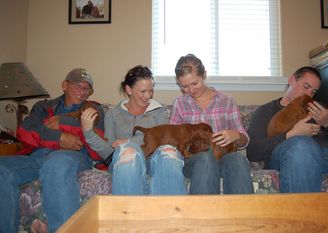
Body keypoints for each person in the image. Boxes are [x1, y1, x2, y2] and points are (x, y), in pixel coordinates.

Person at [0, 68, 106, 233]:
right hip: (38, 157)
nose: (82, 92)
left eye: (86, 88)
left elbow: (98, 139)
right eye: (77, 86)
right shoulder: (43, 107)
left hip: (74, 157)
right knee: (2, 168)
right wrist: (60, 138)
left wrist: (64, 123)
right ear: (64, 85)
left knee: (57, 163)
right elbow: (26, 131)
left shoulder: (95, 109)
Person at [82, 65, 187, 195]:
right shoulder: (113, 114)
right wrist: (88, 132)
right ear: (129, 89)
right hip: (125, 158)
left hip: (153, 159)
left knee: (169, 152)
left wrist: (129, 141)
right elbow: (109, 151)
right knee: (128, 151)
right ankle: (129, 212)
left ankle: (171, 212)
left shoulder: (160, 112)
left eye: (151, 90)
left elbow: (164, 139)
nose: (148, 96)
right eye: (143, 91)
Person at [246, 66, 328, 193]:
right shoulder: (265, 111)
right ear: (291, 80)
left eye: (313, 92)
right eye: (306, 87)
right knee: (302, 144)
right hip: (288, 157)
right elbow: (253, 151)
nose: (308, 95)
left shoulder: (318, 108)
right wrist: (290, 135)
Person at [170, 54, 254, 194]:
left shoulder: (227, 101)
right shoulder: (179, 104)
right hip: (194, 161)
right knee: (205, 157)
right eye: (184, 86)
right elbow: (173, 142)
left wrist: (237, 135)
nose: (191, 90)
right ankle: (202, 215)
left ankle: (242, 214)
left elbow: (245, 140)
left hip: (224, 157)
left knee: (237, 159)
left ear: (204, 75)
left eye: (195, 83)